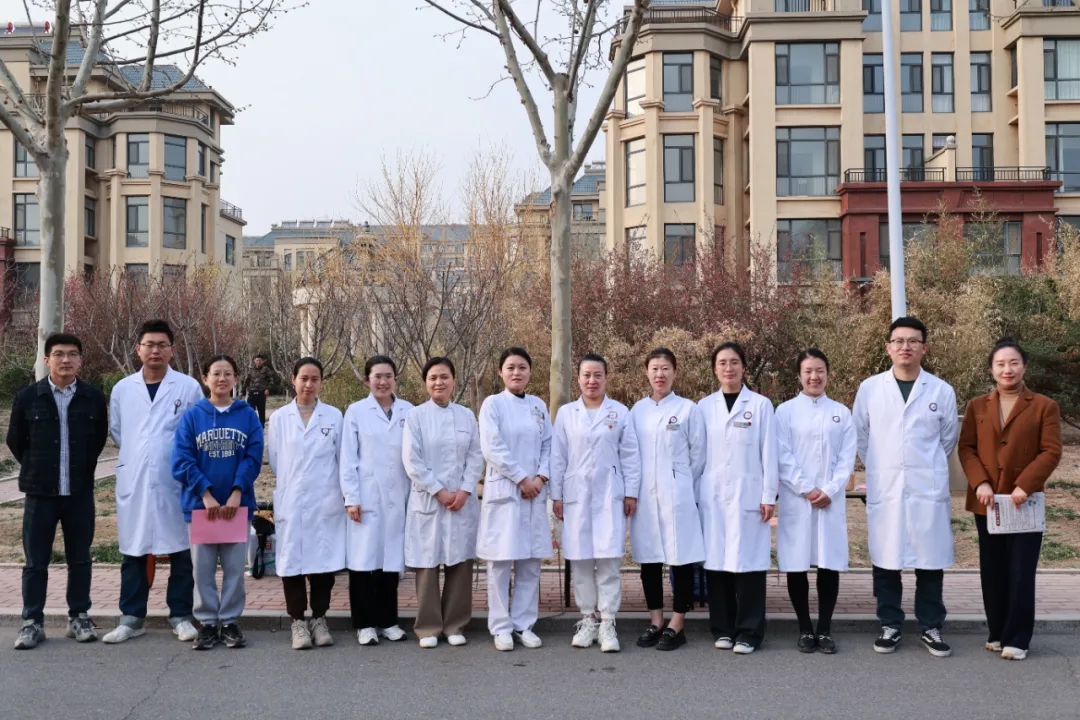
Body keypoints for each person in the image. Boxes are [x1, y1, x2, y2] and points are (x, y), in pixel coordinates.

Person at [852, 316, 959, 658]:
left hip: (927, 487)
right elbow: (861, 436)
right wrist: (883, 466)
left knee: (930, 561)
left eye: (913, 341)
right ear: (888, 347)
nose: (905, 347)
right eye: (898, 341)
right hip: (886, 486)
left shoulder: (941, 391)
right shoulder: (870, 389)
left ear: (924, 348)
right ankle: (890, 624)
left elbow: (947, 439)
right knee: (886, 559)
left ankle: (931, 626)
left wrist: (921, 467)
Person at [958, 338, 1062, 661]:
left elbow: (1051, 451)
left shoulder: (1044, 406)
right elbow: (966, 448)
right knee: (992, 570)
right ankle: (997, 632)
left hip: (1023, 503)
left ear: (1024, 366)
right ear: (992, 369)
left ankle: (1017, 638)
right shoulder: (977, 406)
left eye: (1014, 362)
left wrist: (1025, 485)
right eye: (1001, 364)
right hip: (987, 502)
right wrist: (980, 482)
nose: (1008, 369)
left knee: (1020, 571)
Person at [103, 320, 205, 645]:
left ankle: (181, 616)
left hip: (176, 482)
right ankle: (131, 618)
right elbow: (119, 431)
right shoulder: (123, 389)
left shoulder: (188, 387)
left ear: (172, 350)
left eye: (162, 345)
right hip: (135, 480)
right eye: (149, 345)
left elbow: (197, 433)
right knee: (134, 550)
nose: (155, 351)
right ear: (138, 349)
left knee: (181, 551)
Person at [8, 333, 108, 650]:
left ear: (80, 360)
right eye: (59, 354)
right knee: (35, 562)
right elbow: (16, 441)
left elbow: (98, 440)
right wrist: (39, 467)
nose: (66, 360)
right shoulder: (28, 397)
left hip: (79, 493)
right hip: (40, 495)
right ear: (46, 359)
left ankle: (79, 617)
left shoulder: (93, 398)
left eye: (72, 354)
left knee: (80, 559)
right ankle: (32, 622)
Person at [550, 354, 641, 653]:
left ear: (606, 378)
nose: (592, 381)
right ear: (578, 378)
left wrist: (631, 493)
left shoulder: (619, 412)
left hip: (609, 496)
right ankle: (587, 619)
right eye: (587, 375)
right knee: (581, 561)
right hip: (576, 497)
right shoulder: (566, 413)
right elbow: (558, 457)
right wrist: (557, 495)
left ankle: (608, 622)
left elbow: (630, 455)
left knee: (609, 561)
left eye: (598, 375)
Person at [172, 354, 263, 650]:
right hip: (202, 508)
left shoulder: (247, 415)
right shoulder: (193, 416)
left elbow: (253, 456)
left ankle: (231, 622)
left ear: (236, 379)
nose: (222, 379)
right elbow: (182, 459)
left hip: (237, 505)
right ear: (205, 379)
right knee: (203, 570)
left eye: (227, 373)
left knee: (235, 569)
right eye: (216, 373)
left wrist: (237, 491)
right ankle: (208, 623)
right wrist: (205, 494)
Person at [698, 342, 778, 655]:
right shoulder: (704, 407)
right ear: (714, 369)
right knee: (717, 564)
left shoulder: (760, 405)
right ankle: (722, 629)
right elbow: (697, 456)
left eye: (734, 362)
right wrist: (695, 495)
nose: (728, 368)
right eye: (722, 363)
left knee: (749, 564)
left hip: (749, 496)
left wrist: (768, 495)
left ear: (743, 367)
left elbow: (769, 453)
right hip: (713, 497)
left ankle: (749, 632)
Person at [775, 349, 857, 655]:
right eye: (808, 371)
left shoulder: (841, 413)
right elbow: (782, 455)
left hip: (829, 501)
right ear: (799, 375)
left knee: (828, 563)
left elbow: (847, 457)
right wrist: (807, 488)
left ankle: (824, 628)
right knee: (797, 564)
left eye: (819, 370)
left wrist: (830, 489)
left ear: (827, 374)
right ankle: (804, 628)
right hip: (798, 500)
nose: (814, 376)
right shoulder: (785, 412)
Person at [402, 357, 483, 648]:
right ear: (426, 382)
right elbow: (412, 460)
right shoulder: (415, 416)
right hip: (429, 500)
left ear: (454, 380)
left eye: (444, 377)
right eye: (433, 377)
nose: (439, 382)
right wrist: (439, 491)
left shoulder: (466, 416)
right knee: (427, 565)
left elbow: (476, 455)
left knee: (459, 563)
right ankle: (428, 627)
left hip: (461, 501)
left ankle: (455, 625)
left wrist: (464, 490)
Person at [629, 347, 707, 652]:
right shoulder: (637, 411)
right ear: (646, 372)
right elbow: (631, 453)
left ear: (674, 372)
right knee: (649, 560)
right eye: (654, 369)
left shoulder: (688, 409)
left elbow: (698, 455)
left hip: (678, 494)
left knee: (680, 558)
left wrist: (682, 483)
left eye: (665, 369)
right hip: (646, 496)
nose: (659, 374)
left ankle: (678, 623)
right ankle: (656, 620)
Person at [477, 347, 552, 652]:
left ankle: (523, 624)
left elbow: (549, 445)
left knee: (530, 562)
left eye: (522, 367)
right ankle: (501, 626)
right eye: (510, 367)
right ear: (500, 372)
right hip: (507, 491)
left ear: (530, 372)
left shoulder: (538, 406)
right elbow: (492, 447)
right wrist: (522, 478)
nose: (516, 372)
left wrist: (540, 478)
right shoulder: (492, 405)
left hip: (533, 492)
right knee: (500, 562)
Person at [268, 357, 345, 650]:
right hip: (292, 501)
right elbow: (276, 460)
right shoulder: (279, 418)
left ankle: (320, 619)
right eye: (303, 378)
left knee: (323, 563)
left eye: (314, 379)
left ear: (321, 383)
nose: (309, 384)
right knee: (292, 563)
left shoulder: (334, 416)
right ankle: (298, 622)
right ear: (293, 380)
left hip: (325, 501)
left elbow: (341, 458)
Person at [340, 355, 414, 647]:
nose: (383, 382)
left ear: (395, 379)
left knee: (390, 562)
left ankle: (388, 621)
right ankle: (364, 624)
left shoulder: (408, 411)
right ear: (367, 380)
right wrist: (351, 498)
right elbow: (348, 458)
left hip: (399, 496)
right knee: (362, 563)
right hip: (367, 495)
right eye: (377, 376)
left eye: (388, 376)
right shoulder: (356, 411)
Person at [243, 355, 277, 426]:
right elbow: (247, 381)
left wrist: (267, 389)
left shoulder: (266, 369)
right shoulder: (251, 370)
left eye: (260, 360)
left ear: (262, 361)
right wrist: (242, 391)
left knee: (261, 411)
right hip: (252, 393)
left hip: (261, 393)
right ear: (254, 361)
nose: (258, 362)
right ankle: (251, 426)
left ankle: (261, 426)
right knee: (250, 411)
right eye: (257, 360)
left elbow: (271, 380)